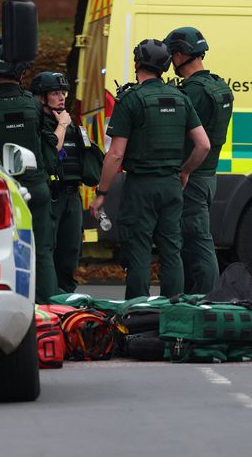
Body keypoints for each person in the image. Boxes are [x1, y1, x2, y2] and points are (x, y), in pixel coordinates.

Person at [88, 39, 211, 299]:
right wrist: (185, 171)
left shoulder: (131, 100)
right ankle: (174, 314)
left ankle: (137, 317)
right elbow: (203, 145)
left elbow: (116, 154)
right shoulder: (181, 98)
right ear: (165, 66)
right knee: (171, 251)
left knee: (139, 252)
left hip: (140, 187)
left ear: (137, 63)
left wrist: (102, 192)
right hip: (171, 186)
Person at [0, 38, 58, 304]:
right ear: (22, 71)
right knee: (44, 251)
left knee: (4, 249)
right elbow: (47, 142)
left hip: (4, 189)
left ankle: (11, 303)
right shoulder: (33, 105)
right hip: (36, 186)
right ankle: (50, 308)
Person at [164, 27, 234, 294]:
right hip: (208, 174)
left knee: (197, 242)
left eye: (172, 55)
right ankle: (196, 297)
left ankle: (206, 301)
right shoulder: (219, 86)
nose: (170, 61)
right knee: (194, 242)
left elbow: (189, 138)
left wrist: (184, 171)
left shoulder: (193, 93)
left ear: (181, 54)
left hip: (191, 175)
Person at [31, 71, 84, 294]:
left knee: (71, 250)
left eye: (63, 92)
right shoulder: (41, 124)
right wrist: (61, 125)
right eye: (55, 93)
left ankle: (67, 297)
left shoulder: (69, 123)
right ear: (41, 97)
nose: (61, 97)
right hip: (52, 195)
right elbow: (53, 150)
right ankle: (51, 297)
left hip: (72, 194)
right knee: (48, 249)